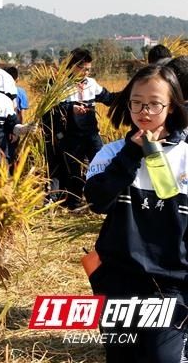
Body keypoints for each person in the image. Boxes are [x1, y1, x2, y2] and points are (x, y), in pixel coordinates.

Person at [84, 64, 188, 362]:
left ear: (172, 107)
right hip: (118, 281)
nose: (144, 110)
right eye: (136, 102)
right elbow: (97, 202)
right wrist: (131, 154)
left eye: (154, 103)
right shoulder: (110, 153)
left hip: (170, 285)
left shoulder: (185, 157)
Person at [54, 48, 117, 209]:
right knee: (74, 171)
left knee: (101, 164)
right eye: (84, 69)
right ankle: (74, 203)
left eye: (89, 69)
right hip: (71, 136)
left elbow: (108, 98)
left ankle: (100, 201)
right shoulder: (60, 86)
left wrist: (129, 94)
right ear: (73, 67)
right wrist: (70, 109)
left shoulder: (91, 84)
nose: (87, 72)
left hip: (91, 133)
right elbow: (52, 111)